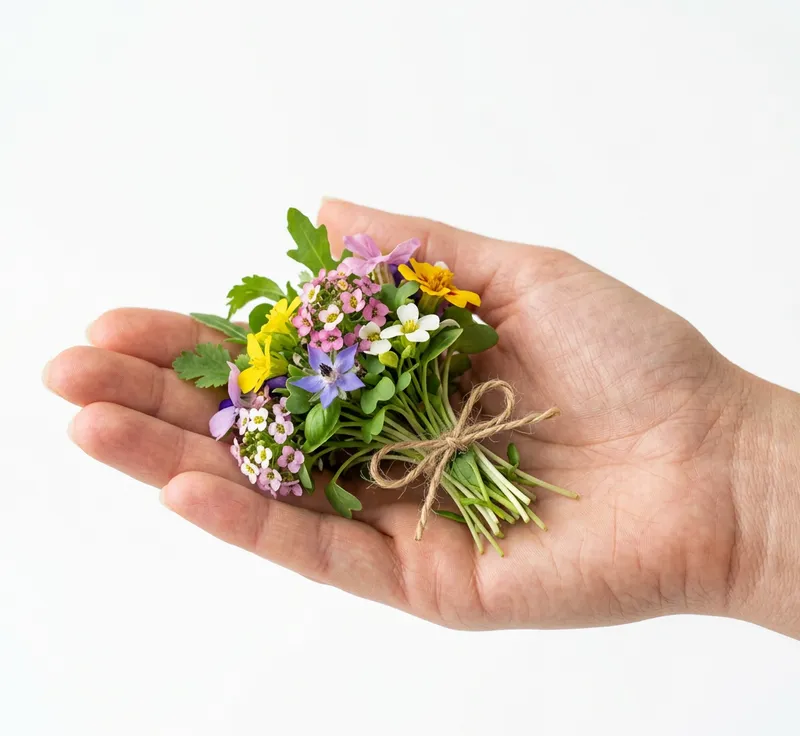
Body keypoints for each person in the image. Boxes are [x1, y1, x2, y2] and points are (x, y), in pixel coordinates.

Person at [43, 199, 800, 639]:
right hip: (400, 415)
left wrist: (747, 492)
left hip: (429, 395)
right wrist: (747, 517)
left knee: (400, 392)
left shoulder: (400, 330)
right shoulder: (320, 386)